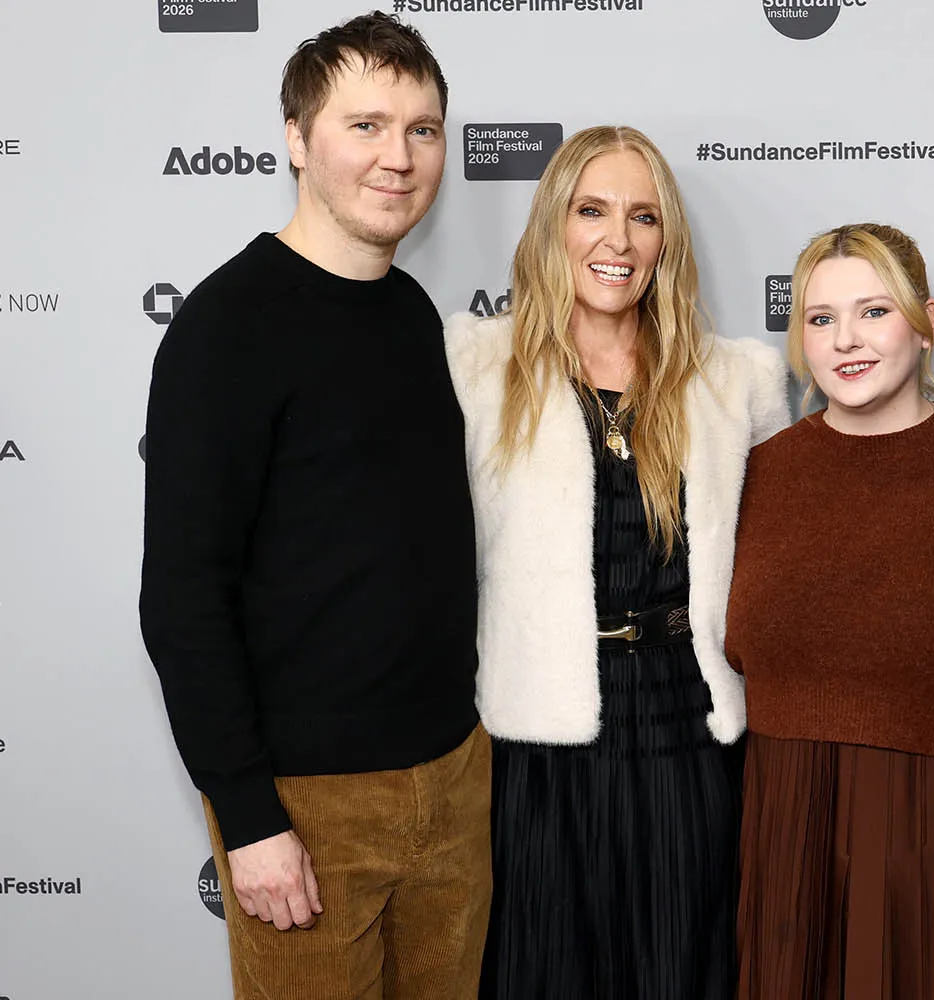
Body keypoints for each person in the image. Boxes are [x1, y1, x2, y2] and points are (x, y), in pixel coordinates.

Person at [139, 13, 490, 999]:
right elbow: (181, 598)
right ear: (297, 137)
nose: (400, 156)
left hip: (455, 780)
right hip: (308, 806)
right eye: (366, 125)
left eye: (423, 129)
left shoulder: (414, 312)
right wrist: (249, 819)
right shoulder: (224, 329)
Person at [443, 124, 789, 1000]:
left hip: (687, 730)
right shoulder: (474, 366)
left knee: (685, 967)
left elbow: (792, 562)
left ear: (665, 239)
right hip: (540, 740)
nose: (618, 240)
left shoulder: (734, 380)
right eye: (592, 210)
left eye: (643, 217)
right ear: (551, 225)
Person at [726, 223, 934, 1000]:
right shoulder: (758, 473)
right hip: (785, 823)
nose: (845, 340)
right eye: (820, 319)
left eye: (874, 312)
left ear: (928, 324)